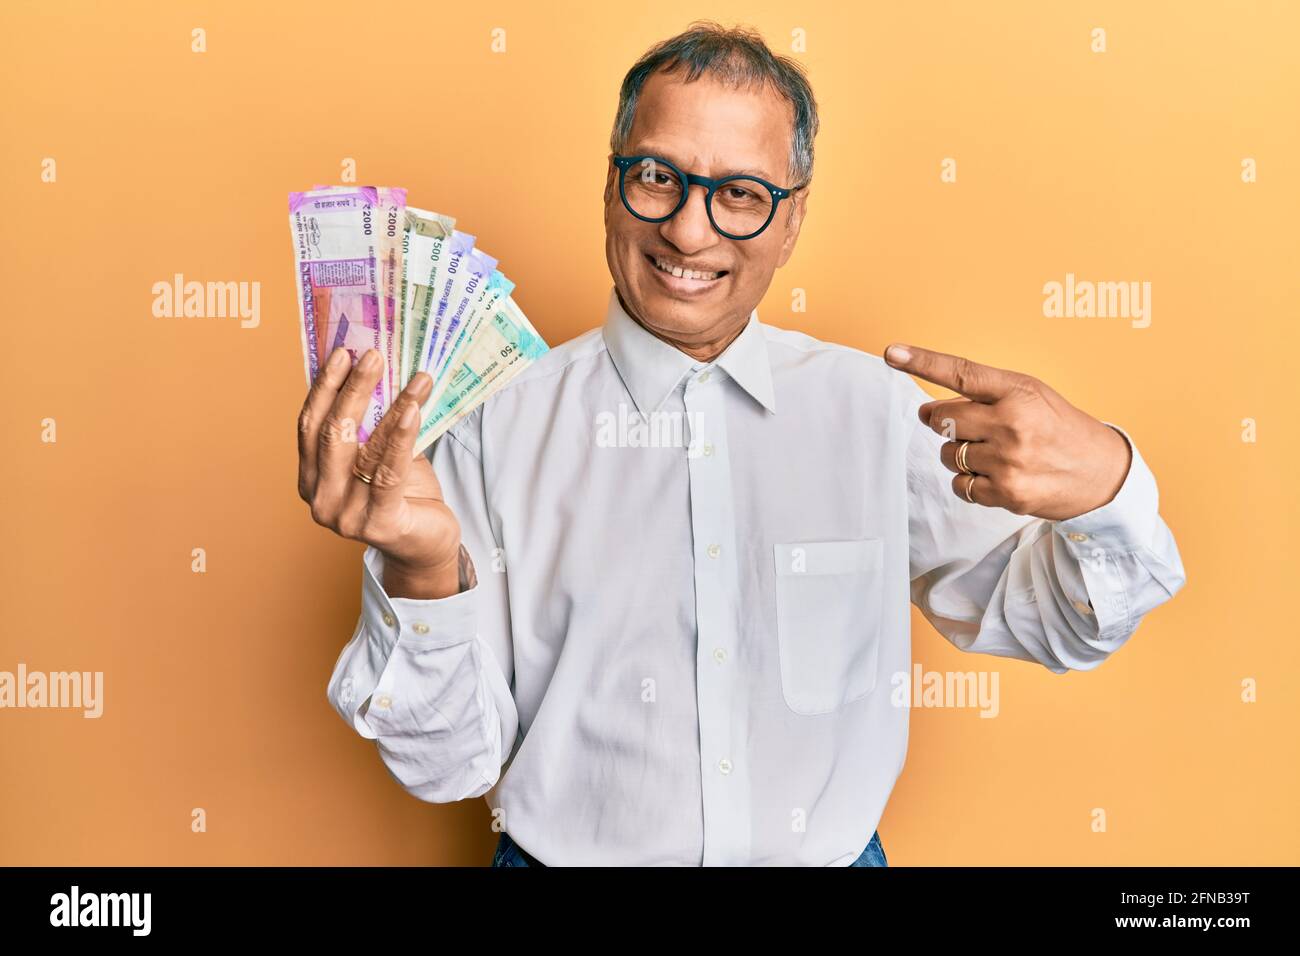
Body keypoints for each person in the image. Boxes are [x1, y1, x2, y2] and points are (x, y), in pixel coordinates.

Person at [296, 22, 1186, 866]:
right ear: (609, 188)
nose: (689, 230)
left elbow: (1061, 628)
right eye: (656, 176)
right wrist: (419, 572)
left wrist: (1107, 485)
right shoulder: (489, 423)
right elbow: (449, 767)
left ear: (792, 221)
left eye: (741, 195)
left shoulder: (876, 415)